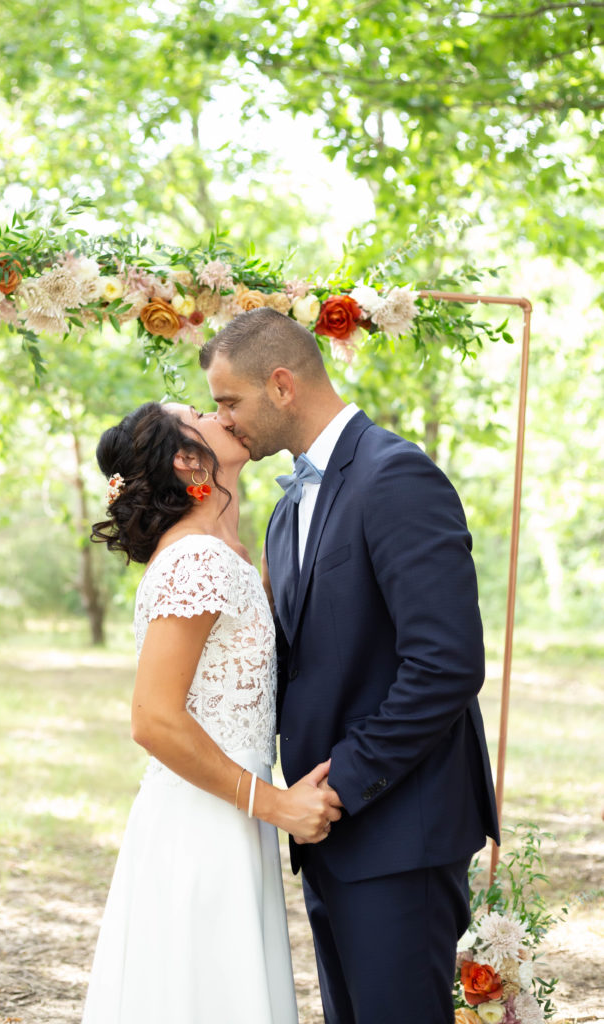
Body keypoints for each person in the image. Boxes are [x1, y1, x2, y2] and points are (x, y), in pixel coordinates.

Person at [200, 307, 501, 1024]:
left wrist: (344, 783)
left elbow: (445, 664)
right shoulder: (284, 510)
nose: (224, 420)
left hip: (399, 826)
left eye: (228, 402)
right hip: (327, 834)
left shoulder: (395, 475)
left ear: (280, 385)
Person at [82, 400, 342, 1024]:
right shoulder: (196, 559)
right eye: (200, 411)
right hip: (202, 823)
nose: (219, 410)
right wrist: (275, 804)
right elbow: (154, 719)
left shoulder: (223, 552)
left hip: (227, 812)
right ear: (185, 458)